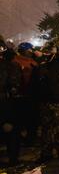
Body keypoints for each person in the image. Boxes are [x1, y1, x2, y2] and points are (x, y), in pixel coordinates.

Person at [32, 41, 59, 163]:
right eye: (45, 52)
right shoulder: (40, 65)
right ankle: (46, 153)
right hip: (44, 101)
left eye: (49, 52)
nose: (47, 54)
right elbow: (35, 84)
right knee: (46, 128)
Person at [0, 38, 22, 166]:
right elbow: (16, 85)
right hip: (7, 103)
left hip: (6, 102)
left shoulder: (11, 65)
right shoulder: (12, 65)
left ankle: (13, 158)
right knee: (11, 132)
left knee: (10, 131)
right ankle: (13, 158)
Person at [13, 42, 39, 146]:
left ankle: (30, 138)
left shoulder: (31, 61)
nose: (31, 52)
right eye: (30, 51)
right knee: (24, 119)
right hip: (22, 94)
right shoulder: (16, 62)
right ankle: (24, 139)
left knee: (31, 119)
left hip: (31, 93)